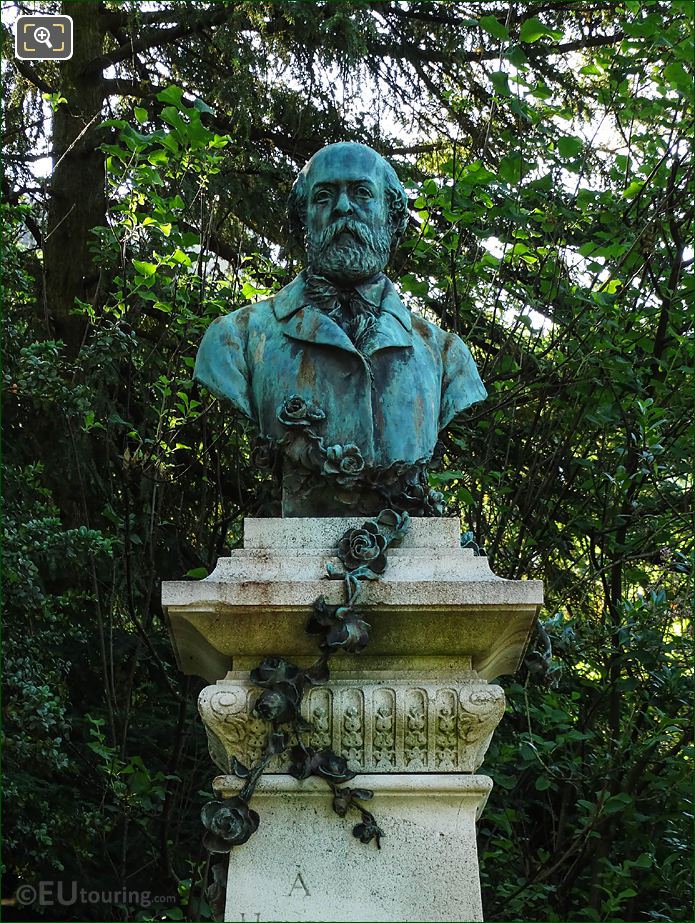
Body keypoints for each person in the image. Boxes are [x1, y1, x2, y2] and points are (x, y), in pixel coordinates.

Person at [194, 142, 486, 516]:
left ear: (393, 220)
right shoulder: (236, 340)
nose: (343, 208)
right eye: (324, 196)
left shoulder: (445, 356)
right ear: (303, 219)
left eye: (362, 193)